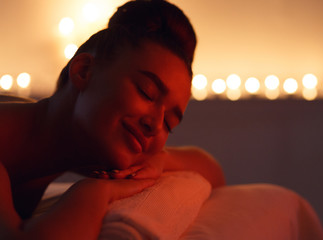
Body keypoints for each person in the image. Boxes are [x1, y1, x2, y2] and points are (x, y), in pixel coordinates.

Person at [0, 0, 225, 239]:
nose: (156, 125)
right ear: (84, 71)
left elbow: (212, 171)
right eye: (146, 92)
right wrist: (93, 193)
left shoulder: (79, 147)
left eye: (170, 123)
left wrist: (160, 160)